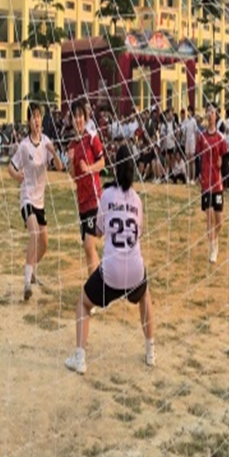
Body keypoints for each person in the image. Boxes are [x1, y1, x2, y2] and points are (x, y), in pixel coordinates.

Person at [64, 143, 155, 375]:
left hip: (112, 271)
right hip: (135, 270)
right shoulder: (137, 200)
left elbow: (99, 230)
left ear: (115, 168)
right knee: (145, 296)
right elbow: (139, 232)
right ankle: (150, 351)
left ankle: (80, 358)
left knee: (83, 303)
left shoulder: (106, 195)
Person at [8, 101, 64, 301]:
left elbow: (59, 167)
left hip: (40, 201)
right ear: (29, 121)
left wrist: (54, 152)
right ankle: (26, 283)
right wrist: (17, 175)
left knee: (45, 243)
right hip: (27, 199)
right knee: (34, 234)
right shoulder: (24, 146)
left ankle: (32, 270)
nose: (37, 120)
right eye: (33, 117)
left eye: (39, 116)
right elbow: (11, 166)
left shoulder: (46, 142)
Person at [68, 99, 106, 274]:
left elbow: (103, 163)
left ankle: (95, 283)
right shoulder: (72, 145)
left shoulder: (91, 138)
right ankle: (98, 280)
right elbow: (73, 176)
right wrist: (70, 161)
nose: (78, 120)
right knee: (87, 247)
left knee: (89, 244)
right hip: (81, 201)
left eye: (80, 116)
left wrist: (89, 168)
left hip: (94, 198)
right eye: (75, 117)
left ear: (85, 118)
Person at [197, 104, 229, 263]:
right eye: (208, 112)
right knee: (209, 216)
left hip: (217, 182)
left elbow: (226, 157)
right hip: (205, 182)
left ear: (216, 116)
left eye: (212, 112)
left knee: (219, 221)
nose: (210, 115)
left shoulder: (221, 138)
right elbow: (197, 157)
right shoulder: (201, 137)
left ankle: (215, 240)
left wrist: (222, 163)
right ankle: (212, 249)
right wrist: (198, 174)